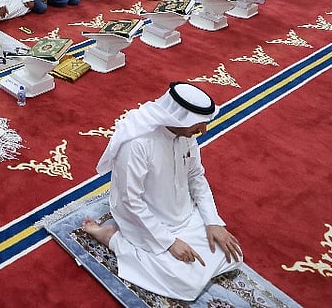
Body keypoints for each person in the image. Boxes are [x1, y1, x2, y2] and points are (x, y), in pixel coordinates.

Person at [83, 83, 242, 301]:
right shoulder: (137, 143)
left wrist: (212, 221)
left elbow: (196, 177)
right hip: (144, 221)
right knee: (187, 284)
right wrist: (168, 242)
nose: (202, 130)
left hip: (183, 214)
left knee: (232, 255)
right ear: (179, 119)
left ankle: (163, 252)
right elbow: (130, 201)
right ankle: (113, 238)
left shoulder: (187, 136)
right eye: (198, 124)